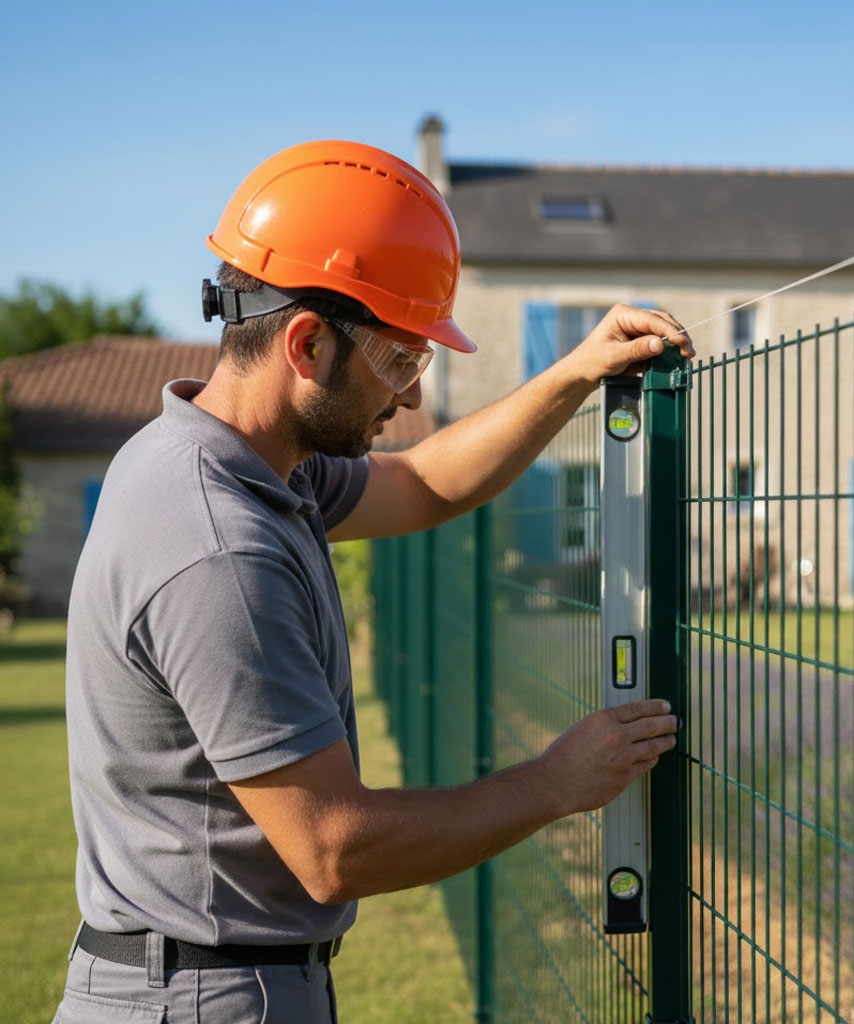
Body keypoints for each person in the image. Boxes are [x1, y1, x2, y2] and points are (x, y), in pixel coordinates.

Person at [53, 140, 694, 1024]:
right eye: (399, 361)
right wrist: (555, 783)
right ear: (307, 344)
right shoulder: (218, 545)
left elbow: (427, 481)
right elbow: (333, 848)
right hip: (207, 998)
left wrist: (575, 373)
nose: (410, 399)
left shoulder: (250, 462)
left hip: (221, 978)